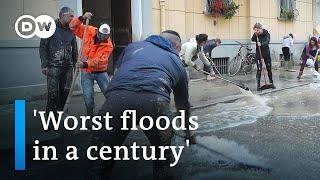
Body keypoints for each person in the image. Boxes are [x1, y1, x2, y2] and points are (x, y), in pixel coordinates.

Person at [87, 30, 192, 179]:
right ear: (176, 46)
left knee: (99, 161)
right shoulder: (177, 62)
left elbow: (118, 71)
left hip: (117, 100)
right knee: (163, 158)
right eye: (179, 49)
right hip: (155, 103)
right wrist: (187, 132)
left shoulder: (132, 47)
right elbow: (182, 104)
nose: (178, 52)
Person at [69, 12, 113, 116]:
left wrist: (84, 64)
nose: (103, 38)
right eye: (102, 35)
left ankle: (115, 112)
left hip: (100, 72)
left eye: (106, 36)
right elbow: (72, 26)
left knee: (109, 93)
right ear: (98, 31)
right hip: (86, 72)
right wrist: (82, 18)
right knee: (88, 97)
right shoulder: (89, 30)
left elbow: (99, 60)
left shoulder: (108, 45)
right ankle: (90, 115)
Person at [39, 7, 78, 115]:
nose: (72, 18)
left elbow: (74, 49)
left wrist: (76, 66)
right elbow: (43, 47)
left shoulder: (72, 30)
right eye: (70, 16)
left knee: (65, 93)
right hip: (53, 67)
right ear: (62, 15)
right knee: (53, 95)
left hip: (68, 68)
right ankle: (50, 120)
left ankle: (62, 117)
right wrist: (44, 65)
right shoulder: (50, 27)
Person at [251, 23, 275, 91]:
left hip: (266, 54)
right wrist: (255, 34)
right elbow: (252, 39)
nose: (256, 32)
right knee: (259, 70)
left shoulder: (267, 34)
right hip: (259, 54)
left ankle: (271, 83)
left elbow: (267, 42)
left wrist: (261, 44)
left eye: (257, 30)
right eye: (255, 31)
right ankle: (258, 86)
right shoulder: (256, 35)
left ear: (261, 29)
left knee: (269, 69)